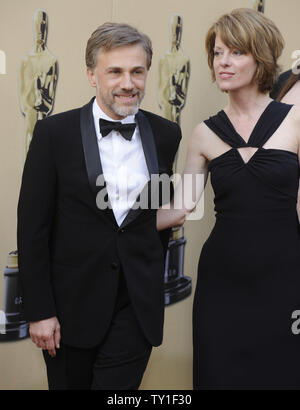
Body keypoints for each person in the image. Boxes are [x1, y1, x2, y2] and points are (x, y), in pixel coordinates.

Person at [17, 22, 181, 390]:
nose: (128, 83)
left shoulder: (166, 135)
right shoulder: (53, 135)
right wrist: (41, 311)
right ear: (92, 75)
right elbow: (32, 230)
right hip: (69, 309)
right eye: (115, 72)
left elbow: (151, 217)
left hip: (135, 308)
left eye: (137, 71)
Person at [157, 8, 300, 389]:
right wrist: (110, 218)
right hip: (223, 283)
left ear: (261, 58)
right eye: (218, 53)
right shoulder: (204, 133)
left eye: (236, 52)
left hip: (286, 278)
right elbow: (180, 206)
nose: (223, 62)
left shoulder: (295, 121)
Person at [19, 9, 58, 155]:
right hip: (30, 112)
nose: (40, 28)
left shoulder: (51, 61)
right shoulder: (26, 61)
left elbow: (50, 98)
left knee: (41, 149)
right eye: (38, 23)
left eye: (43, 23)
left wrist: (40, 96)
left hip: (42, 113)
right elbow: (23, 98)